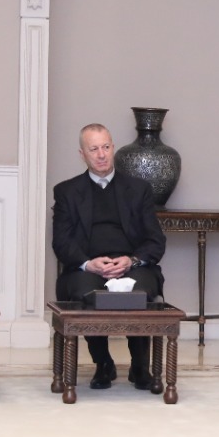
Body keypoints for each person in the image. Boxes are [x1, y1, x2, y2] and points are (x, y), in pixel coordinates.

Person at [52, 123, 167, 389]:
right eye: (94, 149)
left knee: (140, 292)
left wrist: (132, 260)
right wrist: (88, 263)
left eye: (106, 147)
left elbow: (155, 241)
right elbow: (61, 242)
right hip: (88, 267)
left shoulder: (138, 189)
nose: (102, 154)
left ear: (113, 148)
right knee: (86, 292)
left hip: (132, 265)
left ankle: (140, 365)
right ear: (82, 154)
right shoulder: (67, 191)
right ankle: (103, 363)